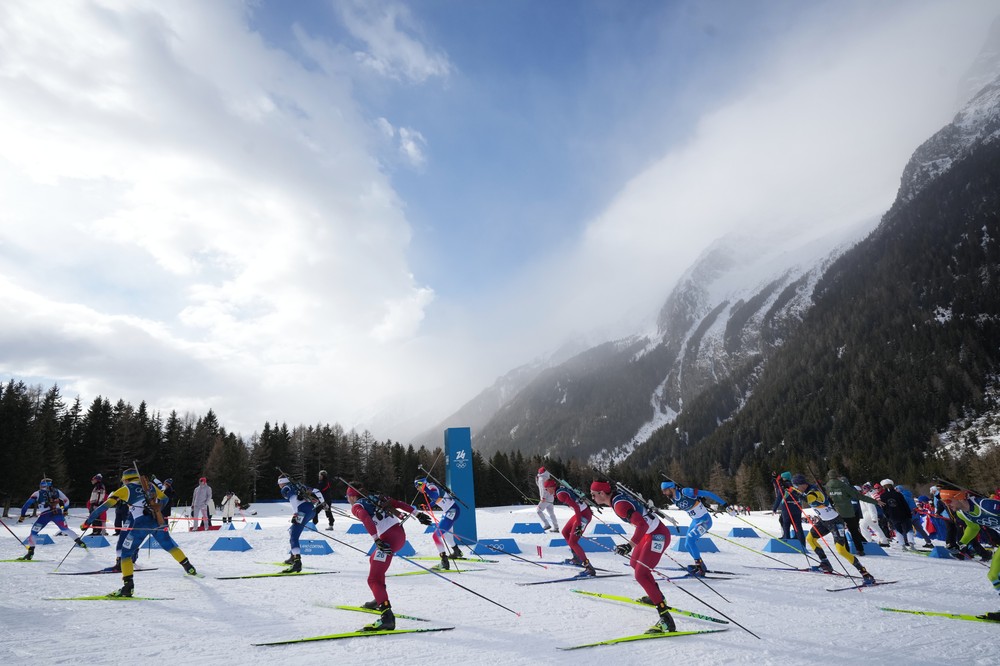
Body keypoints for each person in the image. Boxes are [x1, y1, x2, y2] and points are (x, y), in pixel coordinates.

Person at [82, 468, 197, 597]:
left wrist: (87, 522)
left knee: (125, 554)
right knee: (170, 546)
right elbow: (164, 499)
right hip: (157, 520)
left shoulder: (125, 489)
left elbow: (103, 507)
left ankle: (127, 588)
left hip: (141, 524)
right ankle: (189, 568)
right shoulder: (149, 485)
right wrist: (157, 509)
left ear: (126, 480)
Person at [590, 480, 676, 634]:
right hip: (649, 535)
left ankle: (666, 619)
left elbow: (642, 525)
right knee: (634, 563)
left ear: (602, 493)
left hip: (658, 536)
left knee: (641, 574)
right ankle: (657, 595)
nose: (592, 498)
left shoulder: (619, 505)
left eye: (593, 494)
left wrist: (629, 546)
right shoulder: (616, 499)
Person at [348, 483, 433, 631]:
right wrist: (417, 514)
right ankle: (378, 599)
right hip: (399, 536)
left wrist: (376, 539)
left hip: (388, 540)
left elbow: (365, 518)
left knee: (373, 579)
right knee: (373, 560)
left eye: (348, 496)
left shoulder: (357, 506)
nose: (348, 499)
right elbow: (398, 503)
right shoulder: (376, 497)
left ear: (353, 496)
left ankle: (387, 617)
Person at [790, 476, 875, 583]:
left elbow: (808, 499)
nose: (797, 488)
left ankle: (865, 573)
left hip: (835, 522)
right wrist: (786, 486)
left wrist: (793, 491)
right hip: (824, 522)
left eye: (797, 486)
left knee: (841, 550)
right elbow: (800, 494)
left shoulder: (814, 491)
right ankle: (825, 564)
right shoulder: (806, 490)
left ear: (802, 484)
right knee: (810, 539)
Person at [939, 489, 1000, 620]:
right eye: (944, 503)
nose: (947, 505)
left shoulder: (986, 505)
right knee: (994, 575)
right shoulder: (962, 514)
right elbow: (973, 527)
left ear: (960, 497)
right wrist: (962, 543)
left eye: (948, 501)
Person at [660, 480, 726, 576]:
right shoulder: (672, 498)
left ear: (671, 488)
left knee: (690, 540)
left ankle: (700, 568)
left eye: (665, 490)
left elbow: (708, 493)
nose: (664, 493)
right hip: (695, 521)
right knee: (687, 544)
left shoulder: (686, 492)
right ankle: (701, 565)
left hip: (705, 521)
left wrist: (725, 505)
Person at [17, 478, 87, 560]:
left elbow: (26, 505)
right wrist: (65, 510)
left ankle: (30, 553)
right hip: (57, 514)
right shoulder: (57, 491)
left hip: (45, 515)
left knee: (33, 532)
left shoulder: (37, 493)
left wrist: (22, 516)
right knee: (65, 529)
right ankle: (80, 542)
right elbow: (66, 500)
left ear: (42, 485)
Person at [824, 470, 881, 555]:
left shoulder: (827, 487)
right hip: (849, 512)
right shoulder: (843, 485)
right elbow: (858, 496)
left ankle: (845, 550)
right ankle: (860, 550)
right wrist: (875, 501)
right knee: (854, 531)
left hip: (836, 512)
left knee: (840, 532)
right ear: (837, 476)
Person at [550, 478, 596, 576]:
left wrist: (579, 524)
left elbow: (576, 507)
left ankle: (589, 568)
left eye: (546, 489)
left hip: (583, 516)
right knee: (565, 532)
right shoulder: (561, 489)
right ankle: (576, 558)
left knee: (573, 542)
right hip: (582, 513)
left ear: (551, 487)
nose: (546, 491)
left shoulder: (560, 494)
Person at [277, 475, 323, 573]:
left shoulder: (286, 488)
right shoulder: (298, 485)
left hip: (302, 511)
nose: (279, 486)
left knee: (294, 536)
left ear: (282, 482)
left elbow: (293, 499)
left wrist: (296, 514)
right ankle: (293, 557)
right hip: (311, 511)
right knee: (291, 530)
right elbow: (316, 491)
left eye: (279, 483)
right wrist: (323, 502)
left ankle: (297, 563)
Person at [414, 477, 462, 570]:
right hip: (450, 511)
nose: (417, 489)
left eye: (417, 486)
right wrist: (428, 506)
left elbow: (435, 496)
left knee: (436, 536)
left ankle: (444, 561)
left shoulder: (430, 487)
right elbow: (438, 499)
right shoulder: (430, 487)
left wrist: (425, 488)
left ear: (421, 483)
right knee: (446, 534)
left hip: (452, 511)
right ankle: (457, 551)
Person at [772, 472, 807, 551]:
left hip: (787, 507)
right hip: (797, 507)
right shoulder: (796, 485)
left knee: (786, 524)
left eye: (783, 477)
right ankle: (802, 544)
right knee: (798, 526)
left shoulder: (783, 486)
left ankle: (787, 541)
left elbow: (779, 498)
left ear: (785, 478)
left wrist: (774, 508)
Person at [880, 479, 915, 550]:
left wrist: (887, 516)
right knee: (908, 529)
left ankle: (902, 545)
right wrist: (909, 514)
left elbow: (884, 507)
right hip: (903, 514)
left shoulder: (882, 496)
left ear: (883, 487)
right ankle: (911, 544)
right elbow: (905, 505)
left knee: (898, 530)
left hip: (892, 515)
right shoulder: (898, 494)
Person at [535, 467, 559, 533]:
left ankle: (547, 524)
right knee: (551, 513)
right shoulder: (547, 477)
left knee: (538, 511)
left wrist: (543, 497)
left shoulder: (542, 478)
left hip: (545, 499)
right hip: (551, 498)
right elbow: (540, 486)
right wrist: (537, 480)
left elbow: (543, 489)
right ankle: (556, 527)